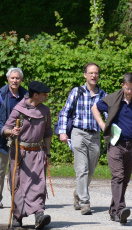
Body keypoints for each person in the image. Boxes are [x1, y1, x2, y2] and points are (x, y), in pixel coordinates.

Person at [91, 72, 132, 224]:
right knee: (118, 177)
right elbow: (95, 108)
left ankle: (114, 212)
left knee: (125, 179)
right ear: (122, 85)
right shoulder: (113, 98)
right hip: (115, 144)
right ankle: (121, 209)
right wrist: (102, 125)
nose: (129, 91)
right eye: (127, 88)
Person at [1, 81, 52, 228]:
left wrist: (47, 152)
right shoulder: (19, 110)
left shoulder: (45, 111)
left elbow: (48, 133)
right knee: (18, 185)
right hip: (19, 153)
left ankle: (39, 215)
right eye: (44, 94)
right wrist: (12, 131)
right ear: (35, 95)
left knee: (39, 185)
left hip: (37, 153)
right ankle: (17, 216)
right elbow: (5, 129)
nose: (46, 96)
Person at [58, 62, 107, 215]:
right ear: (85, 75)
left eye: (96, 73)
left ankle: (78, 193)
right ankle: (85, 203)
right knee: (82, 169)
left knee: (90, 171)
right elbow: (65, 112)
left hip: (95, 135)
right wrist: (62, 132)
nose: (94, 76)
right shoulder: (76, 91)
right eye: (91, 73)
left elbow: (108, 115)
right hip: (78, 133)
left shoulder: (103, 95)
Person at [0, 67, 27, 209]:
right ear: (8, 79)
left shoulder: (26, 96)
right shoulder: (0, 95)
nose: (15, 80)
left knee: (18, 170)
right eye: (12, 78)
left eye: (17, 78)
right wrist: (7, 131)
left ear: (21, 80)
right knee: (0, 170)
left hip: (21, 138)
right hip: (2, 138)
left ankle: (17, 200)